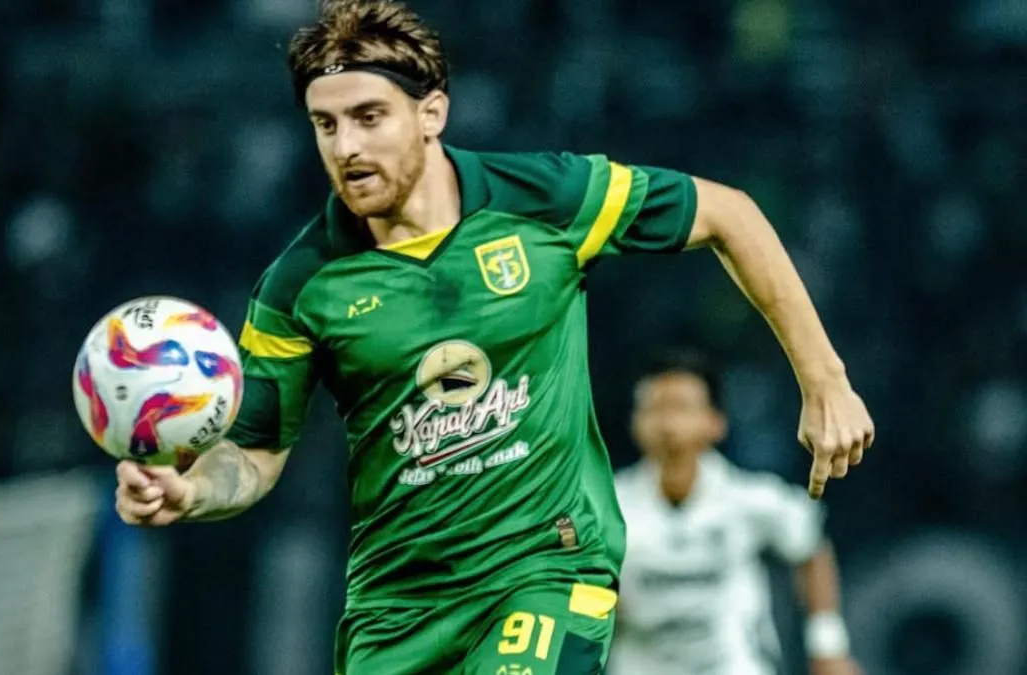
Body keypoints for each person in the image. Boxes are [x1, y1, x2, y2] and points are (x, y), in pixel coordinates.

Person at [113, 1, 874, 672]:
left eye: (369, 117)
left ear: (432, 113)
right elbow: (254, 453)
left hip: (545, 570)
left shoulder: (545, 200)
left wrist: (825, 380)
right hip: (394, 611)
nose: (346, 147)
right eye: (326, 124)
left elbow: (729, 214)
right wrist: (192, 488)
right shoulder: (298, 285)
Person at [609, 349, 861, 675]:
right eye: (655, 409)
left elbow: (810, 546)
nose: (668, 424)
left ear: (716, 422)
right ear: (635, 422)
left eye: (681, 408)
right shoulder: (609, 507)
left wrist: (828, 646)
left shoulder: (747, 500)